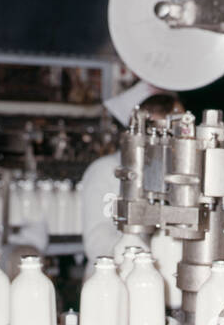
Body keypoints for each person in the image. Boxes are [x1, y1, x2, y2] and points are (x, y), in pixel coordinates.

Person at [78, 92, 182, 271]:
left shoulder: (180, 175)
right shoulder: (105, 170)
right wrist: (133, 253)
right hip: (115, 276)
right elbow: (97, 240)